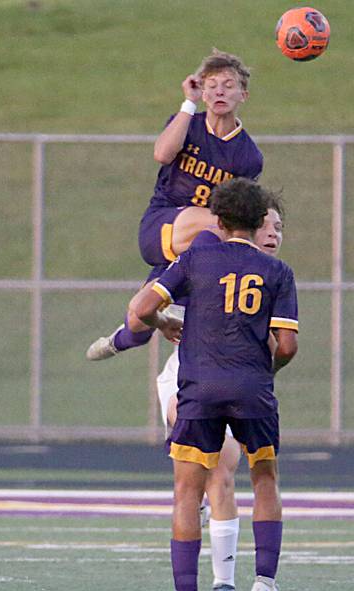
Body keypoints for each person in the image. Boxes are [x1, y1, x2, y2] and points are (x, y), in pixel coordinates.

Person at [128, 178, 298, 591]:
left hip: (200, 388)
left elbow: (143, 307)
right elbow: (287, 346)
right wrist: (264, 373)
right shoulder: (277, 272)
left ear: (217, 220)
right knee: (264, 479)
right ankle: (264, 583)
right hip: (252, 389)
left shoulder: (197, 256)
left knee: (187, 491)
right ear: (259, 221)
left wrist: (164, 324)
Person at [86, 48, 262, 361]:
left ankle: (118, 340)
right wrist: (188, 103)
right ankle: (184, 299)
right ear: (203, 92)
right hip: (162, 224)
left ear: (244, 95)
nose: (219, 90)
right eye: (211, 84)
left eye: (228, 84)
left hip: (198, 246)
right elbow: (163, 154)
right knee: (221, 223)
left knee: (140, 320)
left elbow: (242, 206)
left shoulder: (248, 156)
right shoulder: (187, 124)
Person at [155, 207, 285, 591]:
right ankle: (215, 590)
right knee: (211, 476)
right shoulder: (201, 255)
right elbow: (146, 301)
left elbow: (142, 305)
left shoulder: (270, 273)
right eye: (268, 225)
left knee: (218, 475)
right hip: (194, 381)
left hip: (227, 385)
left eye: (280, 228)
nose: (274, 234)